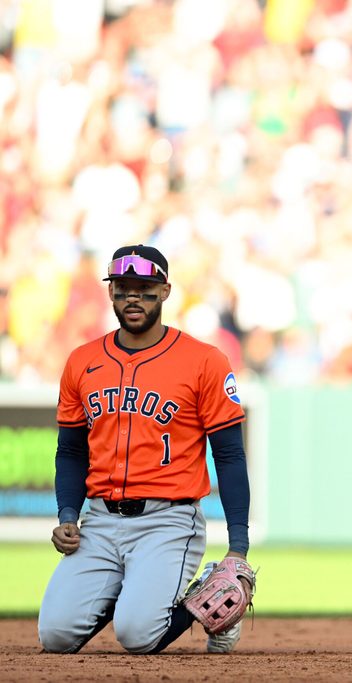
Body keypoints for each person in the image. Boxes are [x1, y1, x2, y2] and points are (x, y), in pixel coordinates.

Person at [38, 245, 253, 654]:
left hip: (167, 522)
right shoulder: (82, 361)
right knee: (56, 637)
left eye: (145, 288)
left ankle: (211, 595)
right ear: (111, 294)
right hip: (99, 521)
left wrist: (238, 545)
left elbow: (229, 455)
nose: (132, 298)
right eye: (122, 289)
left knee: (138, 636)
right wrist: (68, 513)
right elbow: (70, 452)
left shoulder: (204, 360)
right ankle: (134, 590)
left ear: (166, 291)